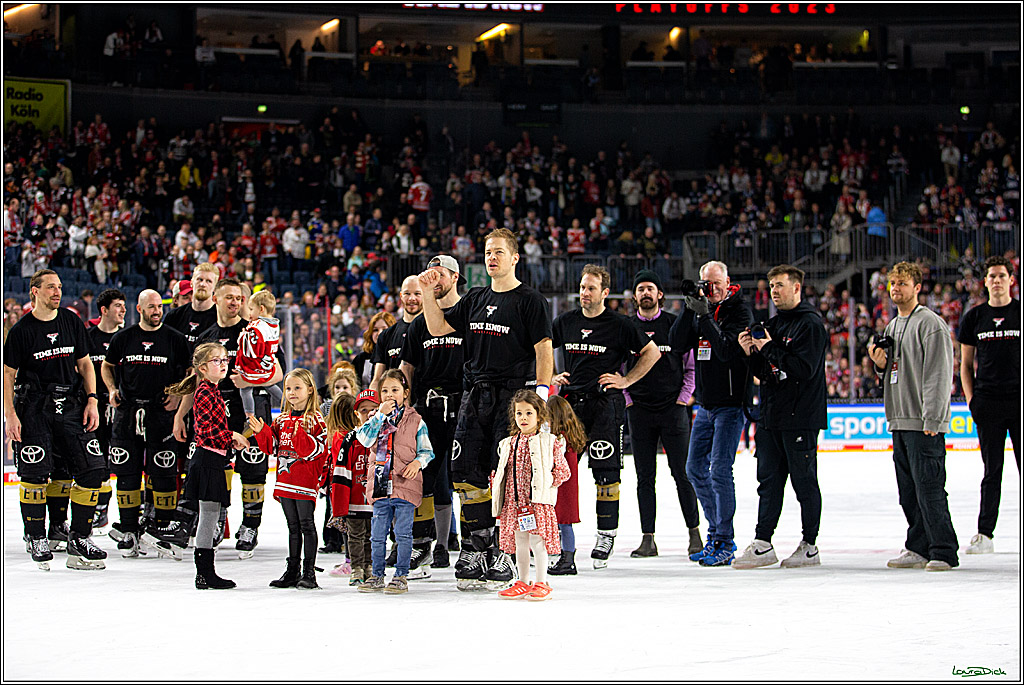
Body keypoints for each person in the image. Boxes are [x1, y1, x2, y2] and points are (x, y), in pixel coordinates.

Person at [417, 228, 553, 591]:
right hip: (475, 394)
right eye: (487, 252)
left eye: (498, 252)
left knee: (511, 475)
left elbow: (543, 350)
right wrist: (428, 292)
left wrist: (539, 397)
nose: (491, 258)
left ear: (514, 258)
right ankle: (478, 546)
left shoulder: (531, 300)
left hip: (514, 397)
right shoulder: (476, 297)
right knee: (465, 471)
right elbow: (436, 326)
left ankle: (506, 551)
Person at [551, 264, 661, 568]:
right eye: (582, 287)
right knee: (561, 473)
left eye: (590, 288)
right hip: (571, 406)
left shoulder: (621, 325)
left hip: (605, 405)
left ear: (605, 292)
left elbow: (653, 353)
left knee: (606, 473)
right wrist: (549, 373)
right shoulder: (565, 321)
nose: (584, 293)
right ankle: (562, 537)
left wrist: (626, 380)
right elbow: (541, 347)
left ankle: (606, 534)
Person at [4, 269, 107, 571]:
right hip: (34, 406)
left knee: (93, 471)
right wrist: (9, 414)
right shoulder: (21, 330)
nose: (57, 292)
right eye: (50, 287)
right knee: (36, 474)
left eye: (60, 287)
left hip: (72, 404)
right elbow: (8, 375)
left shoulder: (71, 320)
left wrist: (92, 400)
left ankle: (79, 537)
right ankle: (36, 536)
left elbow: (85, 364)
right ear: (34, 291)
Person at [734, 265, 828, 569]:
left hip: (800, 416)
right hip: (771, 415)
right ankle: (763, 542)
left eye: (780, 285)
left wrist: (769, 347)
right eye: (772, 285)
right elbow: (767, 373)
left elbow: (803, 370)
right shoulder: (774, 324)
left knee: (804, 482)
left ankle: (809, 545)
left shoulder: (810, 324)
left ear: (797, 288)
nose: (774, 291)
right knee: (769, 482)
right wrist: (751, 353)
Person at [868, 261, 958, 571]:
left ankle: (944, 549)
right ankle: (918, 545)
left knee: (929, 487)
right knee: (908, 490)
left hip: (923, 421)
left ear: (917, 288)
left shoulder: (930, 324)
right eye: (893, 284)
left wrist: (933, 417)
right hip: (901, 418)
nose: (896, 289)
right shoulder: (892, 326)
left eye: (903, 283)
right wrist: (879, 363)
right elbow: (893, 371)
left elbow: (938, 372)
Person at [675, 260, 754, 567]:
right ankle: (715, 532)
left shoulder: (740, 311)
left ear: (728, 282)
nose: (712, 289)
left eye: (716, 284)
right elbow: (677, 343)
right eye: (706, 285)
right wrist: (688, 309)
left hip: (732, 405)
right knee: (694, 469)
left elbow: (725, 350)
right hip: (706, 406)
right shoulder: (700, 311)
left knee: (720, 469)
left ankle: (724, 539)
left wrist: (704, 316)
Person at [101, 290, 190, 558]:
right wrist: (111, 389)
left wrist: (177, 395)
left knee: (163, 473)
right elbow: (106, 366)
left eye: (158, 307)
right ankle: (128, 529)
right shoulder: (123, 338)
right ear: (139, 308)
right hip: (127, 414)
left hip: (160, 413)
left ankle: (161, 528)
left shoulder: (174, 339)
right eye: (151, 307)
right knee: (127, 475)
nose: (156, 311)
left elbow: (189, 373)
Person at [625, 270, 702, 558]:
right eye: (641, 289)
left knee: (683, 474)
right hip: (640, 411)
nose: (646, 293)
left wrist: (682, 400)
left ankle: (695, 533)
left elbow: (691, 367)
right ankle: (648, 538)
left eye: (651, 288)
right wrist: (628, 399)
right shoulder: (628, 327)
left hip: (673, 410)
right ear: (635, 296)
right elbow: (621, 370)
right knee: (645, 477)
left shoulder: (675, 324)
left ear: (660, 295)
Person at [166, 342, 250, 589]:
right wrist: (232, 436)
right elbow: (205, 431)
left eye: (225, 360)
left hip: (214, 459)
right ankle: (204, 571)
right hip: (206, 461)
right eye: (217, 361)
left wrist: (229, 440)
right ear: (202, 367)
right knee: (209, 516)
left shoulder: (212, 391)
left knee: (211, 516)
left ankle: (206, 571)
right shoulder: (204, 392)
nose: (223, 364)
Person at [399, 254, 464, 570]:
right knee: (421, 476)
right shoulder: (420, 323)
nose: (431, 280)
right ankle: (423, 546)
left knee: (467, 478)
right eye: (428, 274)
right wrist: (402, 406)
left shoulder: (468, 314)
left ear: (454, 277)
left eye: (438, 274)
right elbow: (406, 367)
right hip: (427, 409)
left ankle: (473, 546)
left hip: (464, 407)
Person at [957, 255, 1020, 554]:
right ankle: (985, 534)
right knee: (991, 471)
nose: (996, 281)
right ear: (985, 282)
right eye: (992, 276)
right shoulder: (974, 317)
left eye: (1002, 276)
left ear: (1011, 280)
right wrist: (972, 401)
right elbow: (965, 366)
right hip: (989, 405)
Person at [356, 370, 434, 595]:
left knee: (403, 534)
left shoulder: (416, 421)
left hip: (404, 485)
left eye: (395, 390)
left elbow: (427, 451)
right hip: (380, 485)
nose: (390, 395)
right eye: (385, 391)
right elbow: (363, 439)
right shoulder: (375, 419)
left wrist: (417, 464)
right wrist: (379, 416)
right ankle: (377, 575)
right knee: (378, 534)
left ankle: (401, 575)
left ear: (405, 393)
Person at [250, 369, 329, 589]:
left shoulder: (315, 421)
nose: (292, 393)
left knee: (306, 525)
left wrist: (301, 434)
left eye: (297, 388)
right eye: (288, 388)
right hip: (285, 481)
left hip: (304, 483)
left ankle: (309, 573)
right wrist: (262, 432)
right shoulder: (282, 419)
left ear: (310, 390)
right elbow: (273, 448)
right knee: (292, 527)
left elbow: (316, 452)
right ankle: (292, 570)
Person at [492, 391, 570, 601]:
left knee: (538, 542)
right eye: (519, 413)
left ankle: (541, 581)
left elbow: (563, 471)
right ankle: (522, 581)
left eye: (528, 413)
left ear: (539, 415)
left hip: (536, 503)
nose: (523, 418)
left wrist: (545, 486)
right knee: (520, 542)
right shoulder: (508, 443)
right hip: (515, 503)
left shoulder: (549, 442)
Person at [328, 389, 379, 585]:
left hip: (378, 501)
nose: (369, 413)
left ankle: (371, 566)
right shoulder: (351, 439)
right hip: (356, 501)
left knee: (374, 536)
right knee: (356, 536)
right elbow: (342, 473)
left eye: (373, 409)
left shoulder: (387, 436)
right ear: (356, 414)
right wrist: (341, 504)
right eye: (363, 410)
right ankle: (357, 567)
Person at [86, 288, 126, 533]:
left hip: (122, 409)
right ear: (104, 310)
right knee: (96, 462)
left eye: (124, 305)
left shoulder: (127, 337)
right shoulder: (87, 338)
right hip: (94, 408)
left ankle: (131, 514)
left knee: (124, 462)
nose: (123, 310)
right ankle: (100, 509)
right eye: (118, 306)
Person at [545, 394, 587, 576]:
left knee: (563, 522)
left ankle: (568, 559)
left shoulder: (559, 439)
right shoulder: (572, 437)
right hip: (568, 486)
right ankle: (566, 557)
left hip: (561, 487)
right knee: (564, 522)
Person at [370, 275, 423, 391]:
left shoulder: (433, 332)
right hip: (395, 405)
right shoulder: (386, 335)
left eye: (417, 294)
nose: (412, 298)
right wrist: (370, 404)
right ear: (400, 296)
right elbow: (378, 379)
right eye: (407, 294)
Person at [236, 290, 283, 418]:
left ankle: (249, 416)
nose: (249, 313)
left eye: (251, 309)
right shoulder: (274, 323)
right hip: (268, 363)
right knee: (269, 384)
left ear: (261, 309)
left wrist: (242, 337)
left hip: (257, 365)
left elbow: (253, 349)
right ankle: (286, 403)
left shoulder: (256, 326)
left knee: (245, 389)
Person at [164, 262, 219, 347]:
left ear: (215, 287)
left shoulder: (221, 318)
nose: (203, 284)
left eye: (209, 281)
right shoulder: (174, 316)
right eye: (199, 279)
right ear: (191, 283)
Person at [353, 311, 395, 389]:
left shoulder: (398, 356)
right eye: (375, 330)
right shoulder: (361, 359)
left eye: (384, 329)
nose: (380, 333)